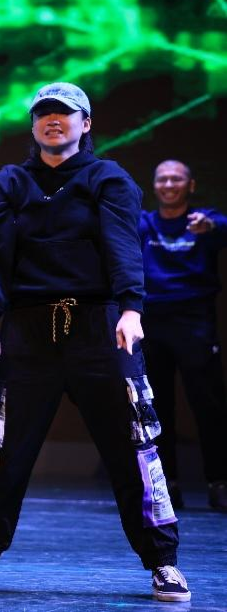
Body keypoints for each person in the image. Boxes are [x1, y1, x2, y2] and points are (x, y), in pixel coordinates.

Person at [0, 83, 187, 602]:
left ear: (86, 123)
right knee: (3, 450)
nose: (53, 120)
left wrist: (131, 308)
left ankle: (164, 562)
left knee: (133, 449)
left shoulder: (108, 178)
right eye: (44, 113)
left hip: (100, 327)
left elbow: (123, 245)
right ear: (33, 124)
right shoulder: (8, 183)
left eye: (65, 112)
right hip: (27, 331)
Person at [139, 160, 227, 512]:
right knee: (156, 409)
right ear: (154, 185)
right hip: (151, 322)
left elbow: (223, 226)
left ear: (190, 185)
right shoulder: (144, 223)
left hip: (194, 323)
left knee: (209, 405)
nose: (168, 184)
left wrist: (211, 226)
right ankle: (167, 485)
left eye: (176, 179)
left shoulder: (205, 220)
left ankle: (219, 483)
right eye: (162, 179)